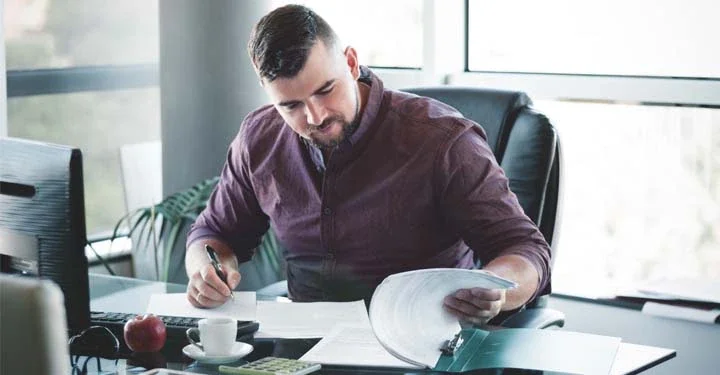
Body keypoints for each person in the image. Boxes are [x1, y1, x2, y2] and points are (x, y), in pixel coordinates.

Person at [185, 4, 551, 326]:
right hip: (306, 345)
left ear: (350, 62)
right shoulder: (259, 138)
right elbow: (214, 234)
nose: (315, 116)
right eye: (291, 106)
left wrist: (498, 291)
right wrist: (207, 269)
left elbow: (525, 250)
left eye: (325, 89)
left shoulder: (442, 141)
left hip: (424, 342)